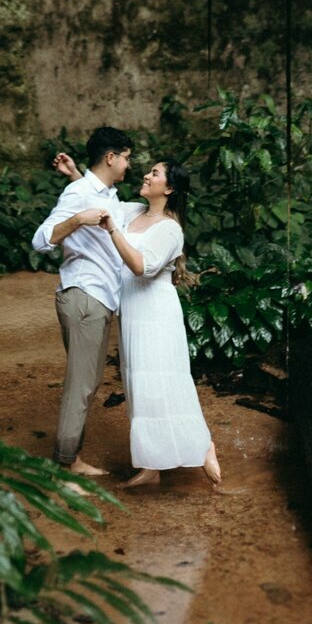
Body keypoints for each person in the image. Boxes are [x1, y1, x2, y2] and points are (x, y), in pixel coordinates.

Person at [101, 158, 221, 488]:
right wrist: (73, 175)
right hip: (133, 313)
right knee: (140, 388)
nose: (146, 175)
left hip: (156, 314)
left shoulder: (171, 229)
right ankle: (151, 466)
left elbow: (142, 266)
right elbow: (103, 200)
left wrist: (111, 229)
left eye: (154, 173)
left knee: (165, 384)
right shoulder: (133, 212)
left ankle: (203, 444)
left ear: (168, 188)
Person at [30, 126, 132, 476]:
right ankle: (63, 466)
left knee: (87, 383)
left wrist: (75, 177)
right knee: (81, 385)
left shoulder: (101, 192)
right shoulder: (80, 195)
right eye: (127, 157)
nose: (129, 165)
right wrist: (76, 218)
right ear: (111, 157)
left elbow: (91, 200)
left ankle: (72, 460)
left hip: (96, 298)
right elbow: (40, 240)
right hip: (85, 297)